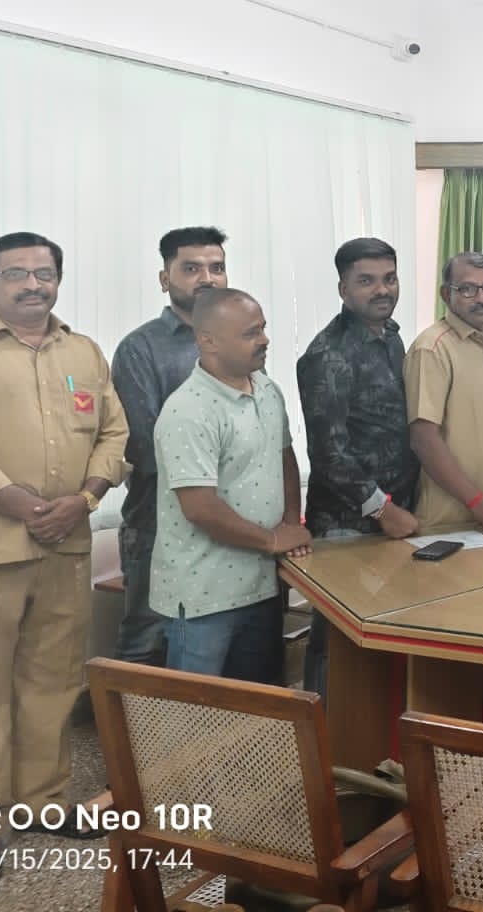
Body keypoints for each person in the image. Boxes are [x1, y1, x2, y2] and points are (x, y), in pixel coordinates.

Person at [0, 233, 128, 877]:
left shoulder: (84, 351)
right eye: (15, 273)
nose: (32, 284)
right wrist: (30, 509)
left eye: (44, 273)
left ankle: (42, 801)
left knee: (53, 682)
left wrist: (85, 499)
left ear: (58, 280)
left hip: (65, 548)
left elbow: (114, 434)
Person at [152, 288, 311, 683]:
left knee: (260, 703)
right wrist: (273, 541)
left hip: (261, 584)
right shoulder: (189, 410)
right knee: (197, 711)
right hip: (205, 596)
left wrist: (290, 524)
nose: (264, 340)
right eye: (250, 333)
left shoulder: (267, 390)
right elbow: (200, 508)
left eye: (263, 329)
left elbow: (284, 456)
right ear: (208, 341)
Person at [297, 237, 420, 697]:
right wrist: (382, 509)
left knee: (383, 633)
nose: (382, 290)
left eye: (389, 278)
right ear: (343, 289)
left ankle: (372, 728)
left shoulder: (391, 338)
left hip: (397, 516)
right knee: (337, 640)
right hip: (348, 524)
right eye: (366, 281)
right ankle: (325, 730)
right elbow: (329, 453)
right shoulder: (327, 355)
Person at [110, 225, 228, 667]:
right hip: (159, 526)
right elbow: (145, 446)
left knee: (212, 644)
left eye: (217, 268)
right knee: (147, 642)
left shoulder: (238, 341)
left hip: (230, 524)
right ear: (165, 279)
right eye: (192, 268)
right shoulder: (141, 349)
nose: (207, 278)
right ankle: (128, 718)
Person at [404, 251, 483, 532]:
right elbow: (423, 439)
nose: (482, 298)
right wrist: (477, 502)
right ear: (447, 294)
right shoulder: (432, 349)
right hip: (453, 520)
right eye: (468, 289)